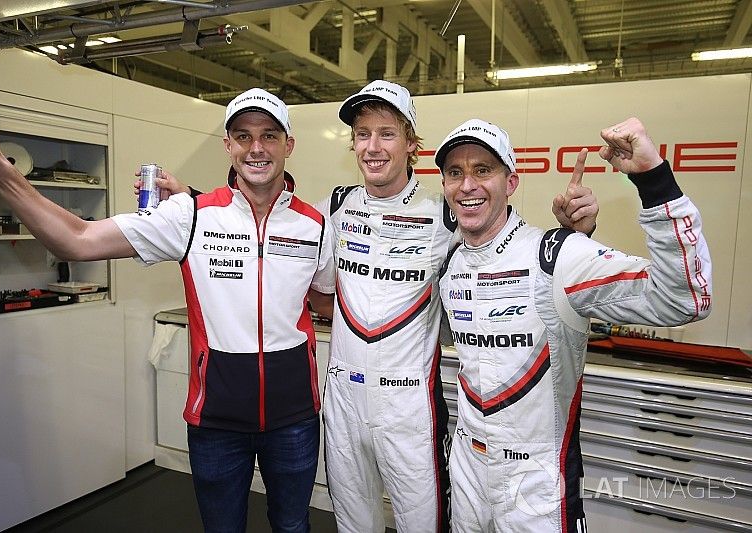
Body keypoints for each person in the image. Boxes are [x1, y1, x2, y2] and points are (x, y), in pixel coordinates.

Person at [141, 80, 598, 533]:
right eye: (363, 135)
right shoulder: (336, 208)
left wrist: (575, 232)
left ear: (411, 144)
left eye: (387, 133)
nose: (373, 147)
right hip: (343, 398)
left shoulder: (445, 213)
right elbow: (267, 219)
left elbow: (508, 248)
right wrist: (193, 201)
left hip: (411, 406)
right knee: (353, 523)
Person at [0, 88, 335, 533]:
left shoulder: (314, 224)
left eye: (270, 136)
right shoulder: (189, 216)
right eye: (243, 135)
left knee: (293, 526)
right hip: (217, 419)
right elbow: (76, 238)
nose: (257, 148)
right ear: (227, 145)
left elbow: (325, 298)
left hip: (295, 418)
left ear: (288, 145)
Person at [434, 117, 712, 532]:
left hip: (537, 480)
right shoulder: (451, 264)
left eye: (483, 170)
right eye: (455, 172)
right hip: (467, 466)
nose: (467, 185)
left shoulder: (556, 255)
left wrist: (653, 179)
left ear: (511, 183)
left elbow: (684, 298)